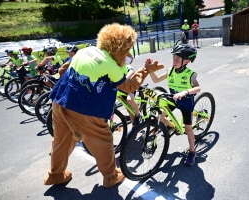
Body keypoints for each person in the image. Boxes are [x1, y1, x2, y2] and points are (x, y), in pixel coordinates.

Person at [43, 23, 164, 188]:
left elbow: (64, 70)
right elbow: (129, 86)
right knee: (104, 141)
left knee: (61, 140)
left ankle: (55, 175)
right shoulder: (110, 64)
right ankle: (111, 176)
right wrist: (145, 70)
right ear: (121, 49)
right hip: (84, 108)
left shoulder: (86, 51)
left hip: (60, 101)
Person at [148, 44, 200, 166]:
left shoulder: (190, 74)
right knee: (158, 117)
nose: (174, 61)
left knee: (188, 129)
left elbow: (198, 88)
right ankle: (171, 126)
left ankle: (192, 151)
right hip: (173, 99)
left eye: (177, 59)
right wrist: (150, 70)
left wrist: (185, 91)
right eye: (173, 58)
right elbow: (156, 80)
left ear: (186, 61)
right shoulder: (170, 71)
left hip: (186, 102)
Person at [119, 53, 141, 126]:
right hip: (121, 88)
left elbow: (131, 71)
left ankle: (138, 114)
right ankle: (134, 126)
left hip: (129, 87)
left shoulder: (126, 64)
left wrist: (124, 79)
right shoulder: (115, 66)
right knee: (129, 109)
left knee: (129, 100)